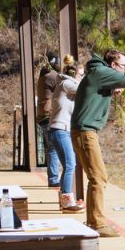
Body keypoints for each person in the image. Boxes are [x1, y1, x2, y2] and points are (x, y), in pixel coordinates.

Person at [70, 49, 125, 237]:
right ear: (113, 66)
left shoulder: (98, 73)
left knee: (96, 177)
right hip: (85, 131)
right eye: (123, 66)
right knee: (99, 177)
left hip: (83, 130)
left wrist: (111, 88)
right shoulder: (100, 73)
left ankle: (93, 220)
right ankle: (97, 223)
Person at [49, 63, 84, 212]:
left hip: (60, 129)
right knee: (71, 165)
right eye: (81, 74)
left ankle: (65, 200)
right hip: (60, 129)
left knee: (67, 166)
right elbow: (85, 89)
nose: (82, 77)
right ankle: (67, 201)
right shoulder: (66, 84)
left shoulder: (66, 85)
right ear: (74, 74)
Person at [36, 52, 62, 187]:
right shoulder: (52, 77)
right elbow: (66, 85)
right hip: (49, 116)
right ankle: (53, 179)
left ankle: (54, 177)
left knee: (51, 147)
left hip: (44, 116)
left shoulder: (43, 76)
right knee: (53, 148)